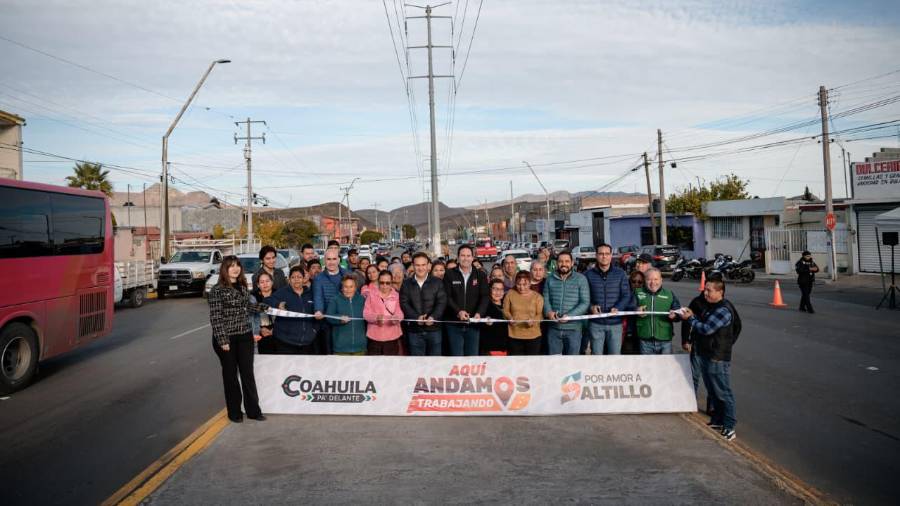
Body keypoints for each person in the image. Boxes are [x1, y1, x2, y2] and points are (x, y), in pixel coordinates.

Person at [208, 255, 269, 423]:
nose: (235, 269)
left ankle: (253, 411)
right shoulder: (217, 290)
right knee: (231, 376)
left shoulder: (242, 287)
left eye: (237, 266)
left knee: (247, 374)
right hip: (226, 338)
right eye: (231, 266)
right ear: (224, 269)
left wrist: (265, 307)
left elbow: (248, 306)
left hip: (244, 336)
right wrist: (223, 340)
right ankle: (234, 413)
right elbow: (216, 317)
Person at [680, 278, 742, 441]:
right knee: (713, 391)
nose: (705, 293)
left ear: (720, 292)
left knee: (723, 392)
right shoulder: (711, 306)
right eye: (704, 290)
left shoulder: (723, 309)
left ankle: (729, 426)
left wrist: (691, 319)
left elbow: (706, 329)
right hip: (707, 354)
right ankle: (718, 420)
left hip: (717, 357)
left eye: (709, 290)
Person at [584, 243, 631, 355]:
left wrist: (618, 308)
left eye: (607, 254)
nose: (604, 256)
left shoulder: (620, 274)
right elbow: (584, 297)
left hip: (615, 323)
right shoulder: (587, 275)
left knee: (614, 356)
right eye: (601, 254)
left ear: (611, 255)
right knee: (597, 356)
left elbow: (626, 295)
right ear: (596, 256)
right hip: (596, 323)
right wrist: (591, 307)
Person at [444, 244, 490, 356]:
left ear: (473, 257)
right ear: (458, 257)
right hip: (454, 324)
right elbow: (447, 296)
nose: (465, 258)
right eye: (463, 255)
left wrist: (479, 313)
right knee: (456, 358)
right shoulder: (449, 274)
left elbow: (485, 296)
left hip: (473, 324)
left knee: (472, 357)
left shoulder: (480, 275)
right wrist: (458, 311)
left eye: (468, 255)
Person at [543, 251, 590, 355]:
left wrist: (569, 316)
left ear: (572, 263)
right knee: (555, 363)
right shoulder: (549, 279)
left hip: (574, 329)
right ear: (556, 263)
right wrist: (548, 312)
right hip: (553, 329)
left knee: (572, 363)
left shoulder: (581, 279)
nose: (564, 264)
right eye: (561, 261)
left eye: (567, 261)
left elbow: (585, 302)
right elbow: (545, 299)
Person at [400, 252, 447, 356]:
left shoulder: (437, 282)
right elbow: (404, 303)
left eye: (423, 265)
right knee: (417, 365)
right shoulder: (406, 283)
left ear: (428, 266)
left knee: (434, 364)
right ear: (413, 265)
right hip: (414, 330)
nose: (420, 268)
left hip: (434, 330)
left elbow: (441, 302)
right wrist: (416, 317)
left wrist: (433, 317)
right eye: (417, 265)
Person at [271, 266, 318, 354]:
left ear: (304, 279)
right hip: (285, 343)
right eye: (293, 277)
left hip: (307, 343)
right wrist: (277, 304)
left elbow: (317, 312)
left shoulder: (311, 294)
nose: (296, 280)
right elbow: (268, 301)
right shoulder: (282, 292)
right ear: (289, 279)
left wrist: (314, 330)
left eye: (299, 277)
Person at [634, 268, 681, 355]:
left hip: (665, 340)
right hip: (645, 340)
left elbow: (679, 313)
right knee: (647, 368)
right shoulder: (637, 293)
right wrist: (636, 310)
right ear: (644, 280)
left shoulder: (669, 294)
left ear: (661, 280)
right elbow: (629, 308)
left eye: (656, 279)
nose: (652, 283)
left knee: (665, 367)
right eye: (649, 279)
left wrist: (675, 316)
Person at [313, 249, 351, 354]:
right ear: (324, 261)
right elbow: (318, 296)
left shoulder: (347, 274)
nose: (331, 262)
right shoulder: (318, 278)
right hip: (327, 321)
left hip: (346, 319)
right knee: (329, 352)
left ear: (339, 260)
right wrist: (318, 310)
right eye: (328, 259)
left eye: (334, 259)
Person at [363, 270, 405, 355]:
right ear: (378, 282)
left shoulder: (396, 295)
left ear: (391, 282)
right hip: (374, 337)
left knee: (390, 365)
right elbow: (366, 314)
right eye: (382, 283)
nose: (384, 286)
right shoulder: (371, 295)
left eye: (387, 283)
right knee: (374, 365)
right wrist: (376, 318)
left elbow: (400, 313)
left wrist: (397, 318)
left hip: (392, 337)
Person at [503, 271, 544, 355]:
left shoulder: (537, 297)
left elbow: (540, 315)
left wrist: (533, 321)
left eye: (525, 284)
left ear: (530, 283)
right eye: (518, 284)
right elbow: (505, 310)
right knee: (516, 364)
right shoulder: (510, 294)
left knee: (531, 364)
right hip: (514, 336)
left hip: (533, 336)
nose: (521, 287)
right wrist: (509, 317)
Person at [326, 276, 367, 355]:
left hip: (360, 347)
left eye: (351, 287)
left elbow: (369, 316)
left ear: (355, 288)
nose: (348, 290)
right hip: (341, 348)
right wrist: (339, 319)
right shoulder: (335, 300)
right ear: (342, 288)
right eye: (345, 287)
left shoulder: (362, 300)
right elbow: (329, 317)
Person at [251, 271, 278, 355]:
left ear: (272, 282)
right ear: (258, 285)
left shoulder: (279, 294)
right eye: (262, 282)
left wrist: (275, 330)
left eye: (267, 281)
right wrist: (260, 329)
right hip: (259, 332)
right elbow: (251, 317)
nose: (265, 284)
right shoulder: (253, 297)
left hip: (278, 332)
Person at [479, 279, 509, 355]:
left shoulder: (507, 304)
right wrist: (485, 322)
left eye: (501, 289)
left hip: (506, 348)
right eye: (495, 289)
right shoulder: (484, 306)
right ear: (490, 289)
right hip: (489, 349)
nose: (498, 292)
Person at [622, 270, 646, 354]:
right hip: (628, 331)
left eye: (640, 282)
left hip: (643, 333)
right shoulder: (626, 294)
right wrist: (636, 309)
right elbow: (624, 307)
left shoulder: (647, 295)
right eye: (633, 281)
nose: (636, 284)